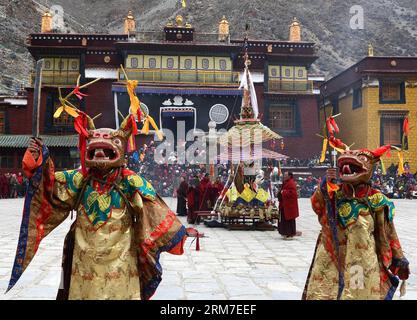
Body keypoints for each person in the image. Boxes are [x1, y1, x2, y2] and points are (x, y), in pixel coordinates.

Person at [7, 111, 187, 300]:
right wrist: (38, 161)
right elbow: (49, 185)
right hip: (84, 257)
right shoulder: (80, 179)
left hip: (121, 257)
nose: (100, 150)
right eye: (93, 143)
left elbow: (154, 209)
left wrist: (178, 232)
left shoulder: (130, 181)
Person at [303, 147, 409, 300]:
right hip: (331, 254)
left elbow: (387, 232)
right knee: (325, 292)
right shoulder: (334, 193)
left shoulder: (376, 200)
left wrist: (398, 260)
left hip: (359, 262)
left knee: (356, 293)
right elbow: (318, 206)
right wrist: (325, 185)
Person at [277, 172, 299, 240]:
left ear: (289, 176)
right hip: (284, 205)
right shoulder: (286, 182)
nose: (284, 176)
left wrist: (283, 192)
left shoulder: (291, 183)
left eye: (285, 175)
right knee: (283, 219)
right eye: (284, 175)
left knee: (289, 220)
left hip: (289, 206)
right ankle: (284, 232)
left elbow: (293, 193)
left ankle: (290, 234)